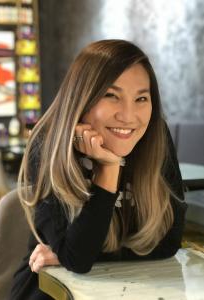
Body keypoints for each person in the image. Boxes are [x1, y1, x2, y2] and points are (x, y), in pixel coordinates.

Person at [10, 39, 187, 300]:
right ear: (82, 98)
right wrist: (109, 167)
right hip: (50, 292)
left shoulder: (155, 138)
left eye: (141, 98)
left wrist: (86, 253)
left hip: (127, 289)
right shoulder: (50, 143)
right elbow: (79, 259)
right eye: (111, 95)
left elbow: (169, 242)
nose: (128, 116)